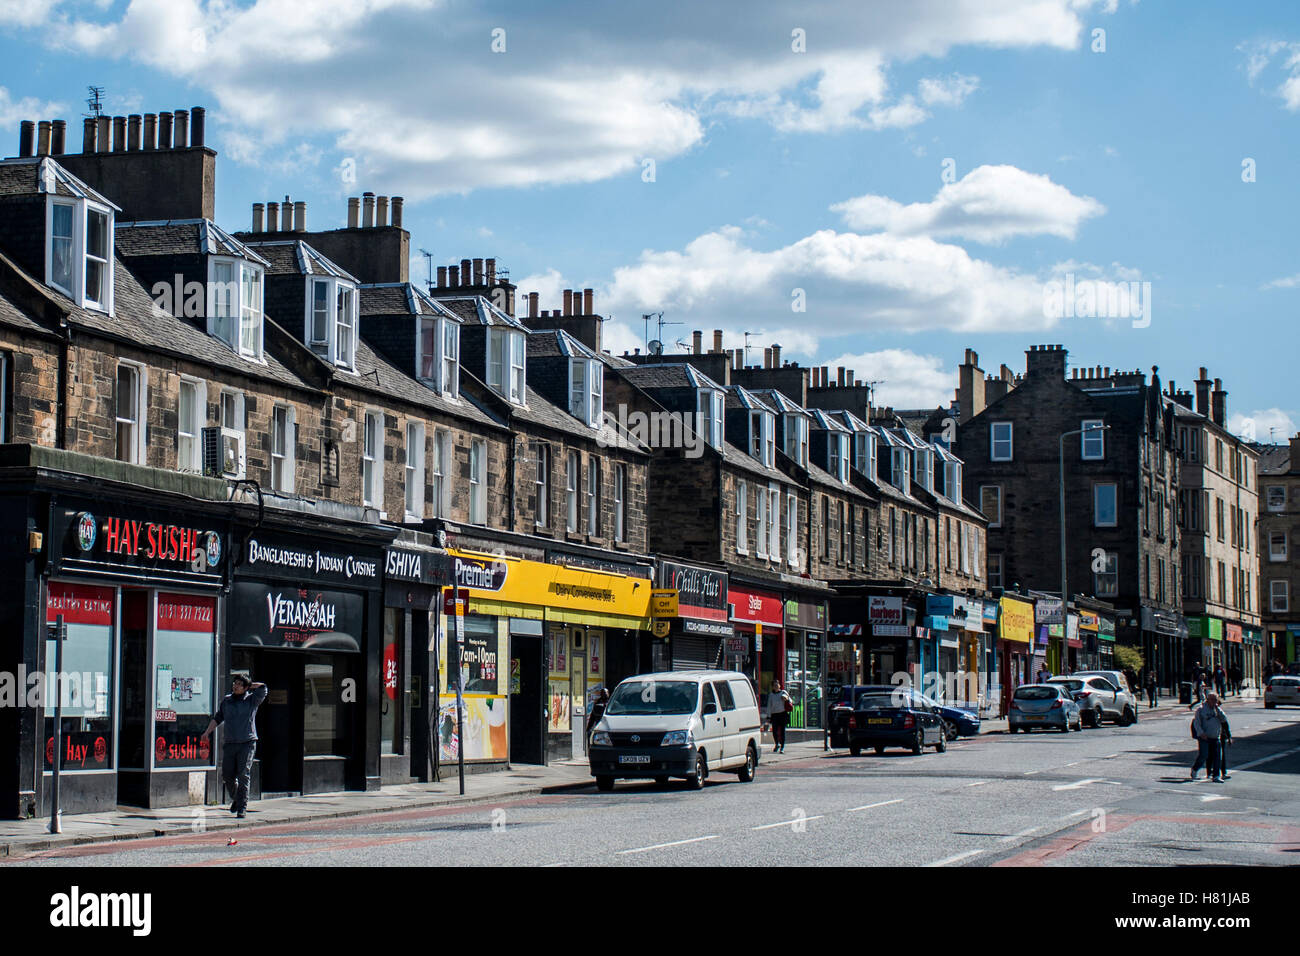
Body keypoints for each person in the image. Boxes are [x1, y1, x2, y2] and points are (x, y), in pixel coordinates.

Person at [201, 675, 268, 818]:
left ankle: (242, 807)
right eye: (235, 683)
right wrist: (207, 732)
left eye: (239, 684)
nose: (235, 686)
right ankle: (237, 798)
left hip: (247, 743)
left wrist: (249, 685)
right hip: (230, 743)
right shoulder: (227, 701)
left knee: (243, 775)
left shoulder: (252, 700)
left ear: (245, 688)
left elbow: (263, 687)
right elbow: (218, 717)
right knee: (228, 776)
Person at [1190, 692, 1228, 782]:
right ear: (1208, 700)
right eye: (1212, 699)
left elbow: (1224, 719)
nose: (1214, 702)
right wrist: (1201, 733)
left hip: (1215, 736)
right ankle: (1195, 769)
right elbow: (1197, 723)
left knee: (1218, 756)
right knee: (1204, 755)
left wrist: (1218, 710)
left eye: (1215, 700)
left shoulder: (1217, 710)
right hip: (1204, 737)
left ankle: (1216, 776)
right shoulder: (1201, 710)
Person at [768, 680, 793, 753]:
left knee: (782, 731)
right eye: (774, 685)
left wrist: (786, 699)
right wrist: (768, 716)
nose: (776, 686)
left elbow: (790, 701)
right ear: (772, 687)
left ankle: (782, 746)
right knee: (774, 731)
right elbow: (769, 706)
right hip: (774, 714)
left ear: (779, 685)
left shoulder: (783, 692)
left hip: (782, 714)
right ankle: (777, 744)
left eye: (777, 685)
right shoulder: (771, 695)